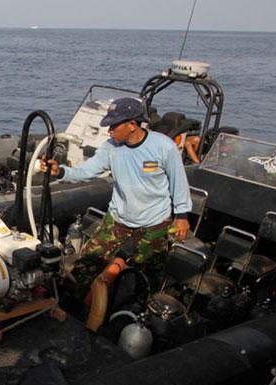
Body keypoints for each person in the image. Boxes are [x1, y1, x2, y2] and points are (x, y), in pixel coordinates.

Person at [42, 97, 192, 286]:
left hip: (154, 222)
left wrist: (182, 216)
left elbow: (178, 181)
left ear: (132, 124)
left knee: (146, 274)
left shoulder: (163, 146)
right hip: (118, 219)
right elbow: (87, 171)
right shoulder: (111, 148)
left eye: (114, 126)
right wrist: (60, 172)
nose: (109, 130)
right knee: (86, 265)